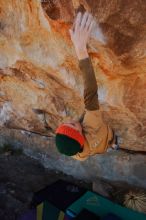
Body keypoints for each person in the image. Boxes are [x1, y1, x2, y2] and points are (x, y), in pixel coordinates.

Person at [55, 12, 117, 161]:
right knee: (109, 137)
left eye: (66, 125)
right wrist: (81, 49)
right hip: (105, 133)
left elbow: (70, 143)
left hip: (99, 147)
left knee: (106, 144)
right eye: (74, 126)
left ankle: (112, 144)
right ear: (82, 135)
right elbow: (91, 92)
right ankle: (113, 140)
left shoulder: (78, 154)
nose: (72, 122)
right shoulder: (93, 125)